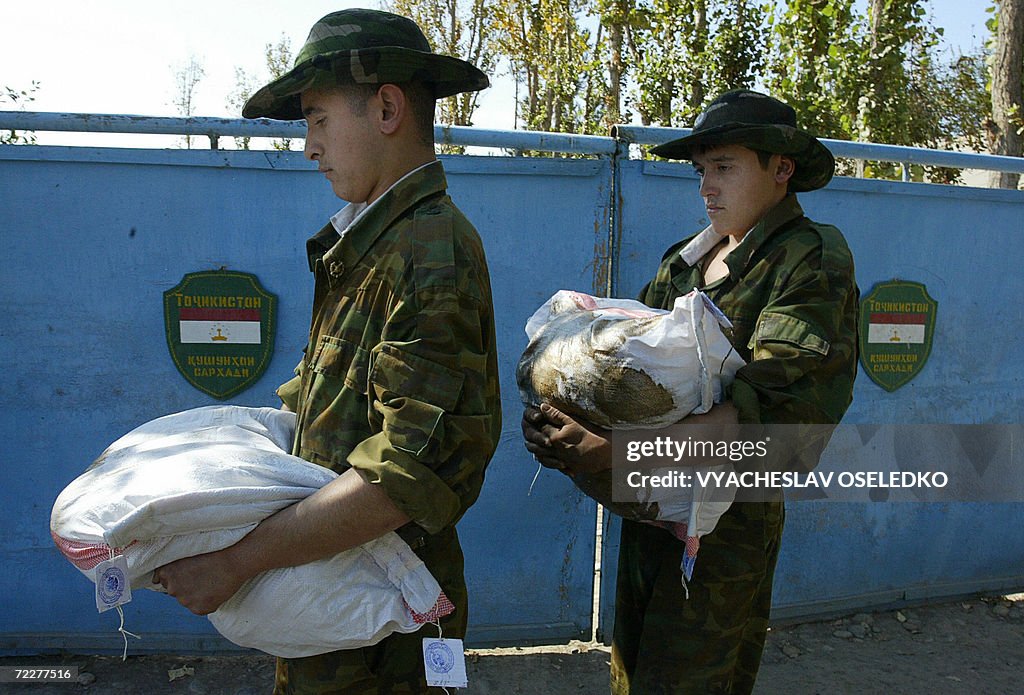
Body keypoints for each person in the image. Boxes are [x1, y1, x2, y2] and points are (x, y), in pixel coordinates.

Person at [153, 9, 501, 693]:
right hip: (340, 598)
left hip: (387, 628)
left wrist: (237, 561)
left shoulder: (431, 252)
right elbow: (325, 412)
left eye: (317, 120)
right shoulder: (373, 244)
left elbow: (399, 477)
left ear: (387, 107)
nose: (309, 147)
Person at [523, 89, 858, 694]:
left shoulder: (809, 259)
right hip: (652, 510)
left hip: (726, 524)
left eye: (724, 167)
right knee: (634, 669)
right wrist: (566, 416)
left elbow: (775, 414)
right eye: (702, 170)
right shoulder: (683, 263)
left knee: (693, 678)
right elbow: (630, 375)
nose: (707, 186)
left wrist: (621, 455)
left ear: (781, 169)